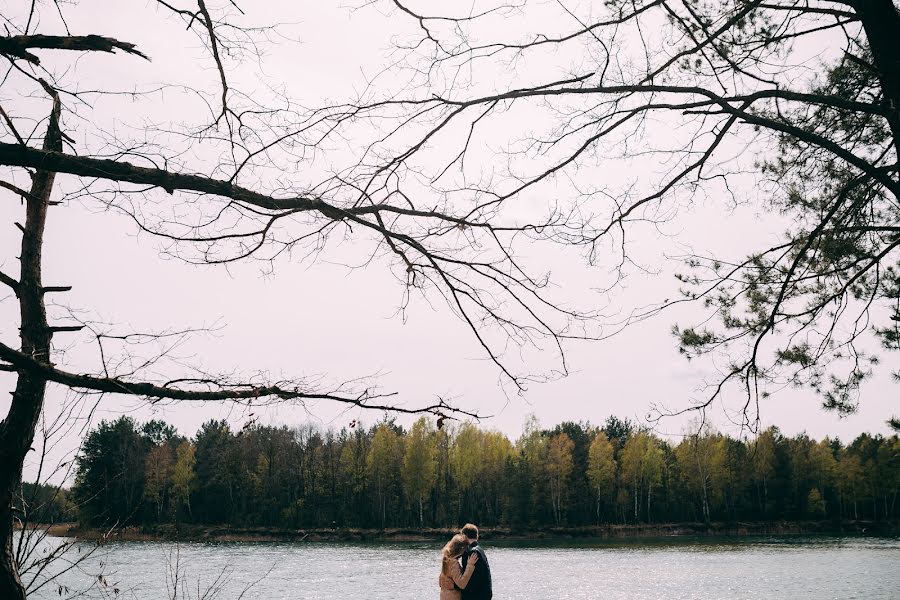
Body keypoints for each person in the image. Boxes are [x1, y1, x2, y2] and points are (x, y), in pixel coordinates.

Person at [439, 524, 492, 600]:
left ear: (464, 535)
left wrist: (452, 585)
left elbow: (471, 581)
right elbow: (467, 582)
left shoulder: (447, 559)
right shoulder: (478, 550)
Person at [438, 533, 479, 600]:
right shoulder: (453, 562)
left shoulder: (446, 559)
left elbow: (440, 582)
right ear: (461, 549)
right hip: (453, 597)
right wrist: (470, 565)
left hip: (443, 596)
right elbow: (462, 584)